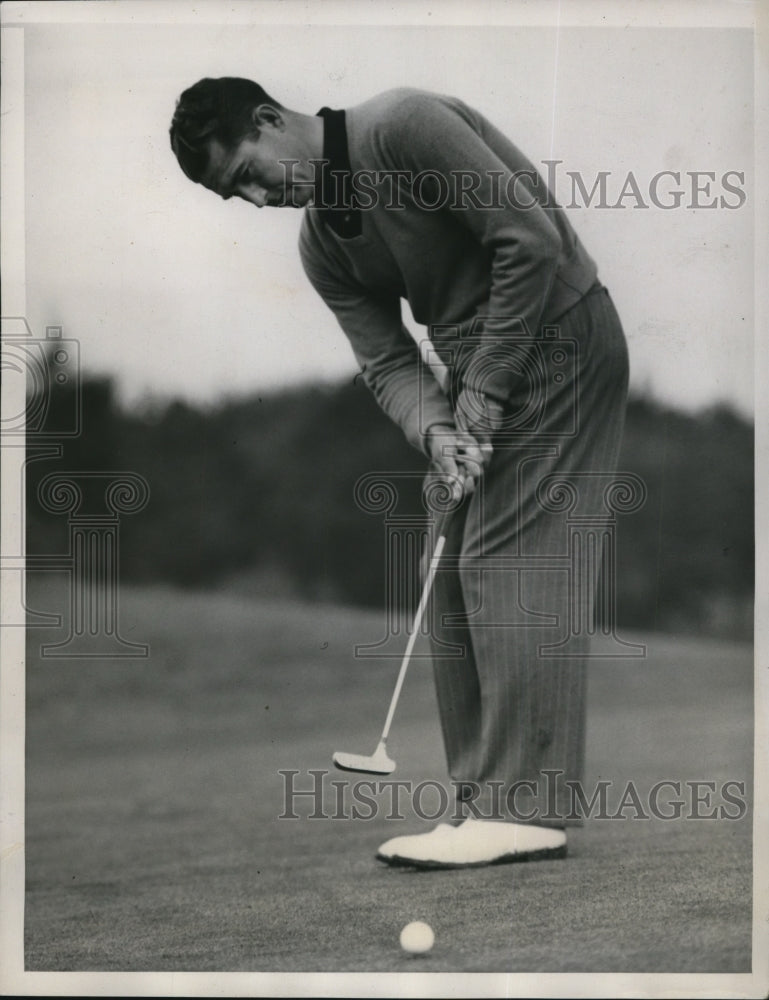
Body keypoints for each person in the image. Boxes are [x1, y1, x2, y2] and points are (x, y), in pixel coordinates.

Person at [169, 77, 630, 869]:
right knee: (446, 562)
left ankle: (526, 807)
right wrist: (439, 430)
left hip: (557, 333)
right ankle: (485, 802)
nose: (253, 198)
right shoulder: (321, 244)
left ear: (272, 121)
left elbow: (527, 238)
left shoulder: (402, 126)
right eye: (232, 196)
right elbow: (385, 362)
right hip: (477, 367)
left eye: (246, 172)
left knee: (503, 555)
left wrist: (483, 387)